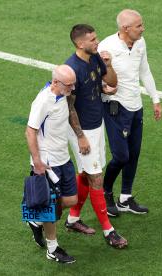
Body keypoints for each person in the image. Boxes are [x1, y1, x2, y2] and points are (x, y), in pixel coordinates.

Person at [64, 24, 128, 249]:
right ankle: (108, 231)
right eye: (92, 39)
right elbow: (69, 107)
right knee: (96, 178)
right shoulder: (71, 69)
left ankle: (72, 219)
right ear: (80, 44)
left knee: (87, 172)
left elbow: (111, 82)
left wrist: (108, 66)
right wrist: (81, 137)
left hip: (96, 124)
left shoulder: (95, 58)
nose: (97, 41)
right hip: (82, 130)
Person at [98, 9, 162, 217]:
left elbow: (145, 70)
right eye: (139, 26)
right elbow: (95, 76)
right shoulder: (106, 47)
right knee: (121, 156)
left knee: (133, 154)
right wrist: (103, 88)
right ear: (125, 28)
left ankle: (125, 197)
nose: (143, 28)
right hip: (115, 107)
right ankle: (105, 192)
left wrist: (155, 99)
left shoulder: (140, 43)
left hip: (136, 106)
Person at [25, 65, 78, 264]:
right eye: (69, 85)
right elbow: (30, 131)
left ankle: (36, 220)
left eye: (73, 84)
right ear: (56, 82)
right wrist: (37, 162)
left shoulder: (63, 93)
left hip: (63, 158)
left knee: (71, 200)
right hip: (47, 164)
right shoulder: (43, 101)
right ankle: (52, 249)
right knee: (50, 206)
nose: (72, 88)